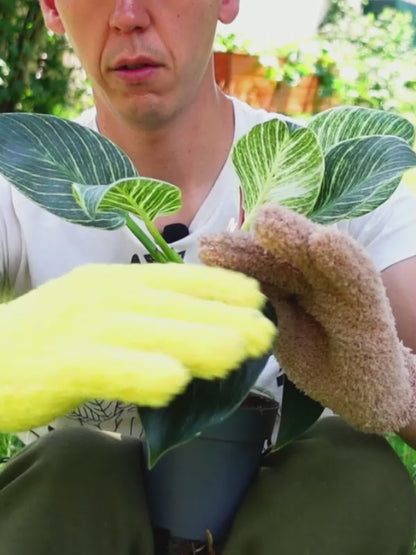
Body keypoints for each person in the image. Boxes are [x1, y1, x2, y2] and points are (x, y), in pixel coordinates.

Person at [0, 0, 415, 553]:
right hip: (82, 523)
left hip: (291, 524)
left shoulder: (322, 183)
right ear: (52, 7)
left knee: (350, 468)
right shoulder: (19, 190)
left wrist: (390, 386)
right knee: (77, 463)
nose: (127, 15)